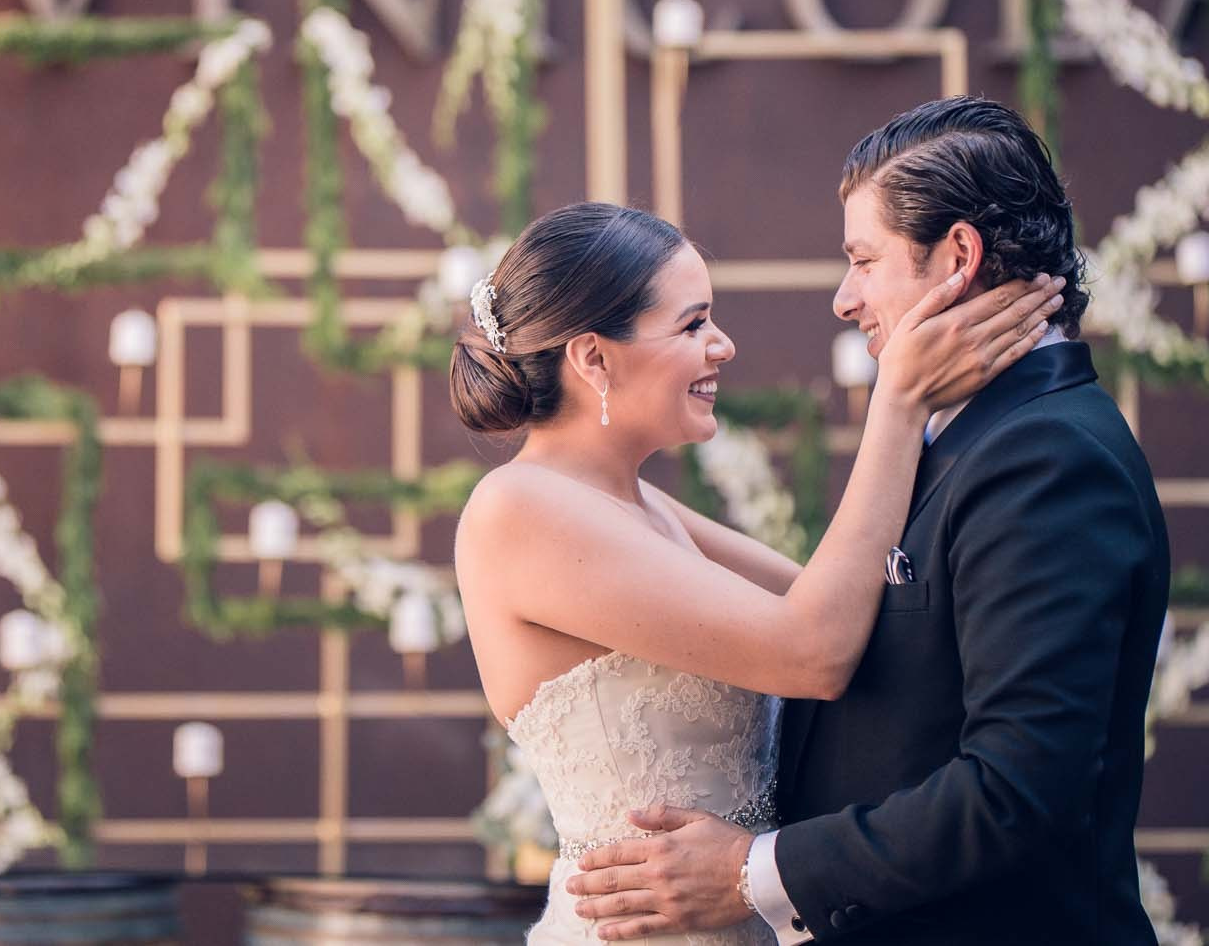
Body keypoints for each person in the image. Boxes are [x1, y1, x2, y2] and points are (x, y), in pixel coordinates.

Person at [563, 97, 1171, 944]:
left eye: (864, 259)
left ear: (958, 255)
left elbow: (1019, 789)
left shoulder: (1048, 457)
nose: (845, 299)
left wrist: (751, 873)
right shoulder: (954, 431)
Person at [451, 196, 1064, 945]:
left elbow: (848, 605)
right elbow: (814, 650)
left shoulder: (644, 507)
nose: (723, 346)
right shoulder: (517, 510)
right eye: (693, 323)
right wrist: (898, 402)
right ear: (593, 357)